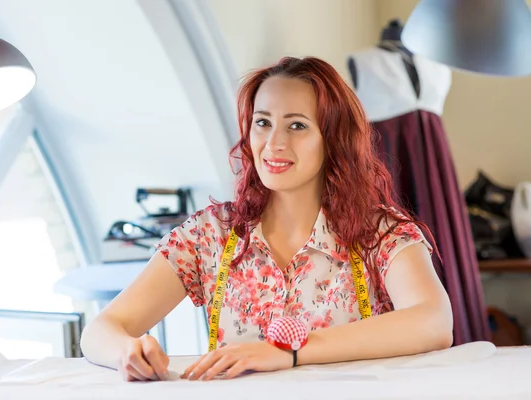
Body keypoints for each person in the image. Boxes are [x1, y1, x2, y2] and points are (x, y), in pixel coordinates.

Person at [80, 56, 454, 382]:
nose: (274, 143)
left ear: (334, 138)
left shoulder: (380, 234)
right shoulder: (209, 236)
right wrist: (128, 351)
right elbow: (100, 330)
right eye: (263, 122)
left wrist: (292, 351)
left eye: (296, 125)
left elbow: (434, 322)